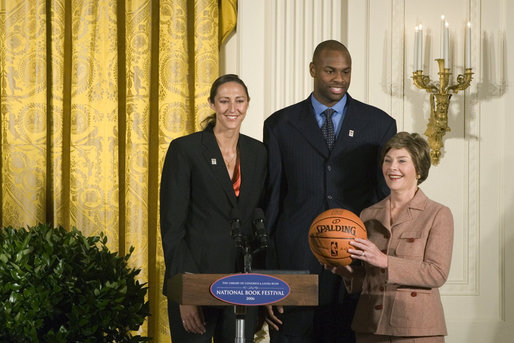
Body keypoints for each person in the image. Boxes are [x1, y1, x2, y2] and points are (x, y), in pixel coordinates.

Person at [263, 39, 397, 342]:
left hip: (354, 267)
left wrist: (378, 270)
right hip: (294, 266)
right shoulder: (279, 125)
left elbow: (383, 202)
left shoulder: (379, 124)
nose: (339, 79)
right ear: (313, 70)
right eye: (330, 71)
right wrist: (267, 277)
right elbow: (272, 202)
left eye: (346, 72)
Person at [160, 74, 267, 342]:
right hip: (196, 278)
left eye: (239, 101)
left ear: (248, 103)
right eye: (224, 101)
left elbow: (259, 216)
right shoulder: (186, 149)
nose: (233, 108)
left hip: (242, 281)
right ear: (212, 104)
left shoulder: (258, 152)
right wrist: (185, 293)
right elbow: (172, 226)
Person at [328, 131, 454, 343]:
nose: (392, 167)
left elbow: (437, 273)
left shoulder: (438, 214)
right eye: (387, 161)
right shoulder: (367, 215)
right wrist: (348, 274)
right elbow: (371, 279)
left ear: (419, 170)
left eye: (402, 161)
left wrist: (385, 261)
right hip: (370, 325)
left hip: (416, 328)